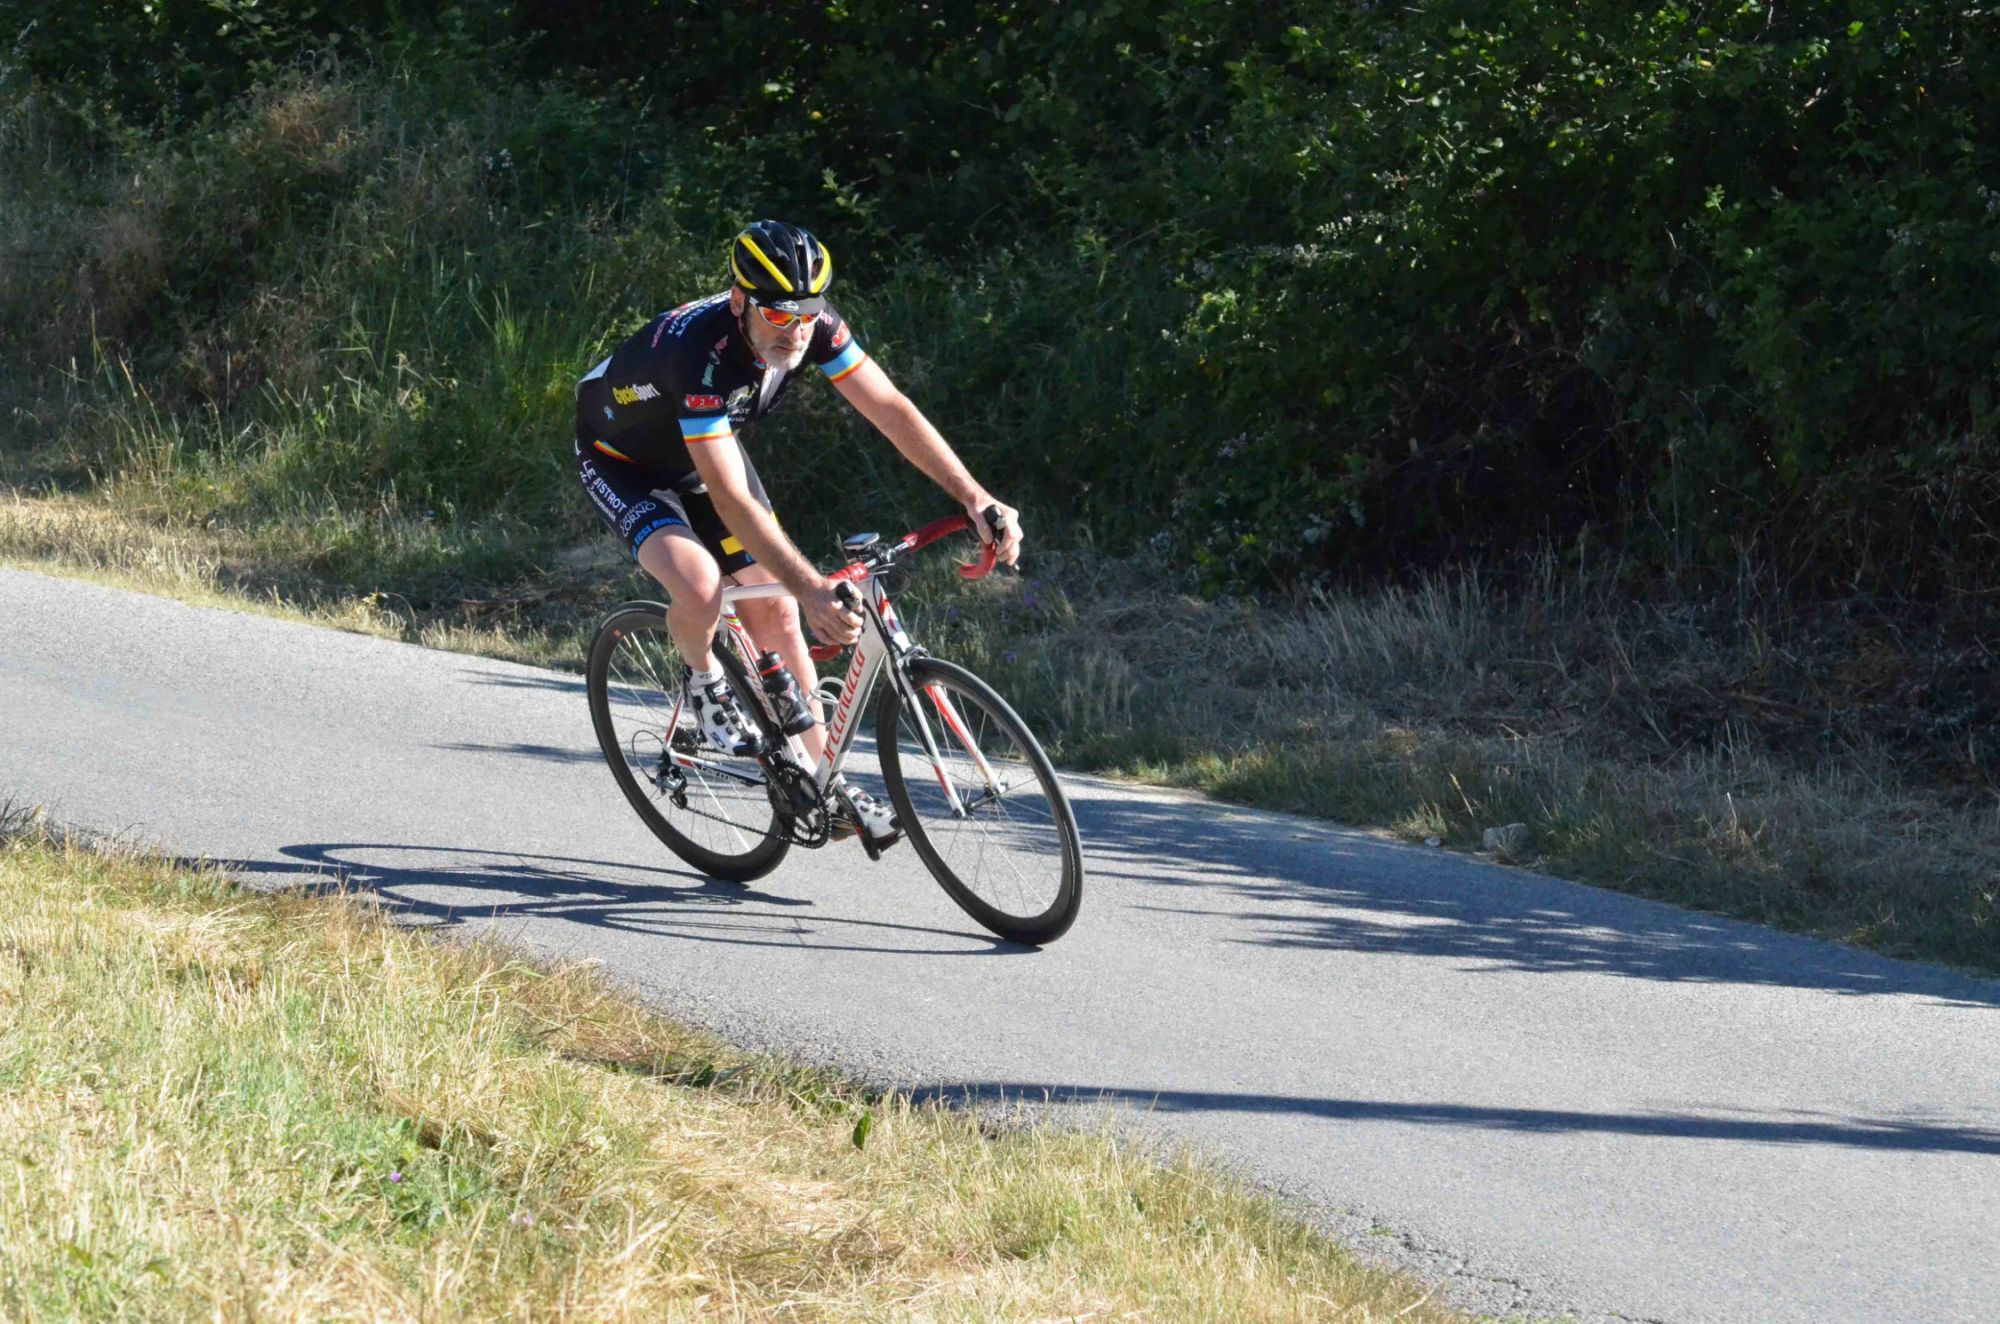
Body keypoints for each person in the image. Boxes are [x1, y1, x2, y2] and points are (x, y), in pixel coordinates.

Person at [574, 220, 1021, 847]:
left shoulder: (812, 324)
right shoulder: (699, 356)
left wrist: (975, 498)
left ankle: (824, 783)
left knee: (779, 614)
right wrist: (812, 587)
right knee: (700, 584)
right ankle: (704, 681)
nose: (799, 329)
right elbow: (731, 500)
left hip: (700, 454)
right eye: (781, 315)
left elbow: (889, 409)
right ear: (740, 301)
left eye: (809, 313)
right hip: (622, 462)